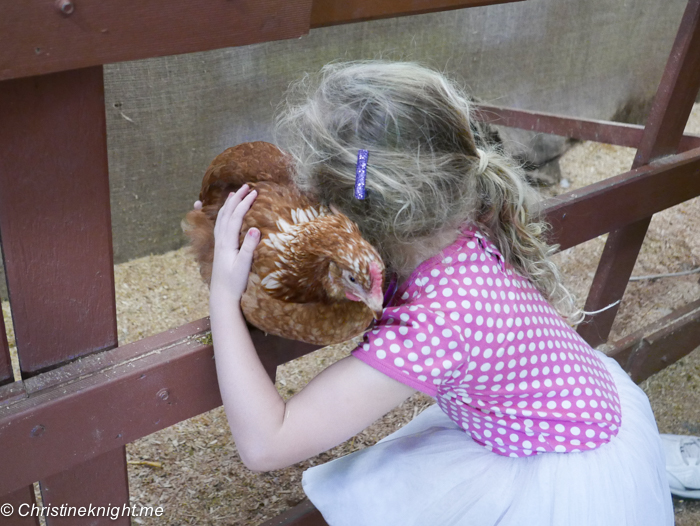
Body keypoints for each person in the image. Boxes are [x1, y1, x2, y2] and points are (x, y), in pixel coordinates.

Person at [209, 61, 673, 525]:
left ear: (346, 210)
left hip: (571, 483)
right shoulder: (472, 218)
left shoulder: (432, 326)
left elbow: (267, 443)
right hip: (584, 403)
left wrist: (224, 298)